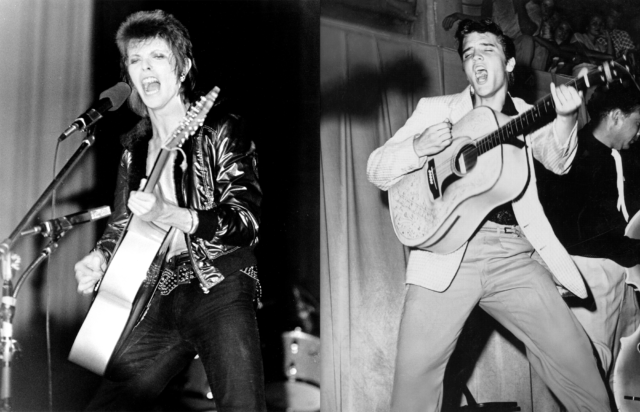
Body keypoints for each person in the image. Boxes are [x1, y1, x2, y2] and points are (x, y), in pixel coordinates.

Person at [366, 18, 611, 411]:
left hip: (514, 256)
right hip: (447, 255)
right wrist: (417, 146)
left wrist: (566, 118)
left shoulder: (529, 113)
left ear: (510, 64)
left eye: (487, 50)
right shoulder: (437, 109)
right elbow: (376, 169)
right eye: (468, 54)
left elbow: (559, 161)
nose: (476, 59)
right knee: (414, 385)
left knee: (581, 369)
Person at [73, 10, 265, 412]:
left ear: (183, 68)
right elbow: (123, 223)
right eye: (135, 60)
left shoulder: (219, 128)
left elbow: (245, 222)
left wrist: (174, 214)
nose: (145, 68)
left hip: (219, 285)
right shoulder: (135, 147)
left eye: (157, 57)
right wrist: (100, 257)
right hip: (159, 293)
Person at [536, 82, 640, 383]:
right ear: (616, 117)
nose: (638, 133)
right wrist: (630, 249)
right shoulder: (573, 156)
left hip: (622, 276)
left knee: (624, 375)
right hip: (589, 276)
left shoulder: (621, 157)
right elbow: (574, 232)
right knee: (589, 373)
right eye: (637, 123)